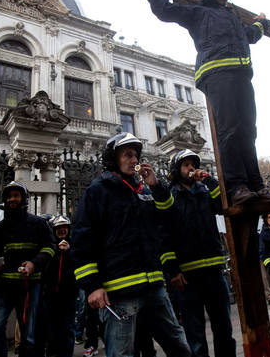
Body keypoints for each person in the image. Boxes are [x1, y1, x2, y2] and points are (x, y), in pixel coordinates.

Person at [142, 0, 270, 206]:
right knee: (229, 129)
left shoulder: (232, 18)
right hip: (217, 75)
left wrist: (261, 24)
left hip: (241, 76)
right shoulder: (199, 12)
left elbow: (250, 34)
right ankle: (236, 186)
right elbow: (163, 10)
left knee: (248, 131)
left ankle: (256, 186)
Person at [71, 132, 191, 357]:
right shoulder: (98, 191)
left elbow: (169, 221)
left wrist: (156, 187)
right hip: (119, 293)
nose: (134, 160)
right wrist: (93, 286)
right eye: (127, 155)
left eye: (135, 155)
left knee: (179, 347)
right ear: (112, 159)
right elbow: (81, 241)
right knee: (122, 354)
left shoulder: (144, 191)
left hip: (154, 288)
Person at [162, 149, 236, 357]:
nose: (191, 168)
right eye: (186, 165)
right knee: (195, 336)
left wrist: (210, 180)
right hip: (187, 277)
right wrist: (173, 271)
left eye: (193, 164)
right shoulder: (170, 196)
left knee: (224, 329)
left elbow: (222, 206)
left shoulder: (205, 191)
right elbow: (164, 236)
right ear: (177, 170)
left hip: (214, 272)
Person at [0, 181, 55, 357]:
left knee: (28, 334)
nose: (11, 199)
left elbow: (49, 248)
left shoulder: (38, 224)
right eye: (9, 196)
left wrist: (33, 264)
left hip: (29, 286)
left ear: (23, 199)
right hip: (3, 286)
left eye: (15, 196)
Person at [38, 215, 77, 357]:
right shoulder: (49, 247)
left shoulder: (74, 246)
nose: (61, 231)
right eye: (58, 228)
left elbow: (79, 264)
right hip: (50, 295)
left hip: (68, 294)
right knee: (51, 328)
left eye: (64, 228)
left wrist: (69, 252)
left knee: (67, 328)